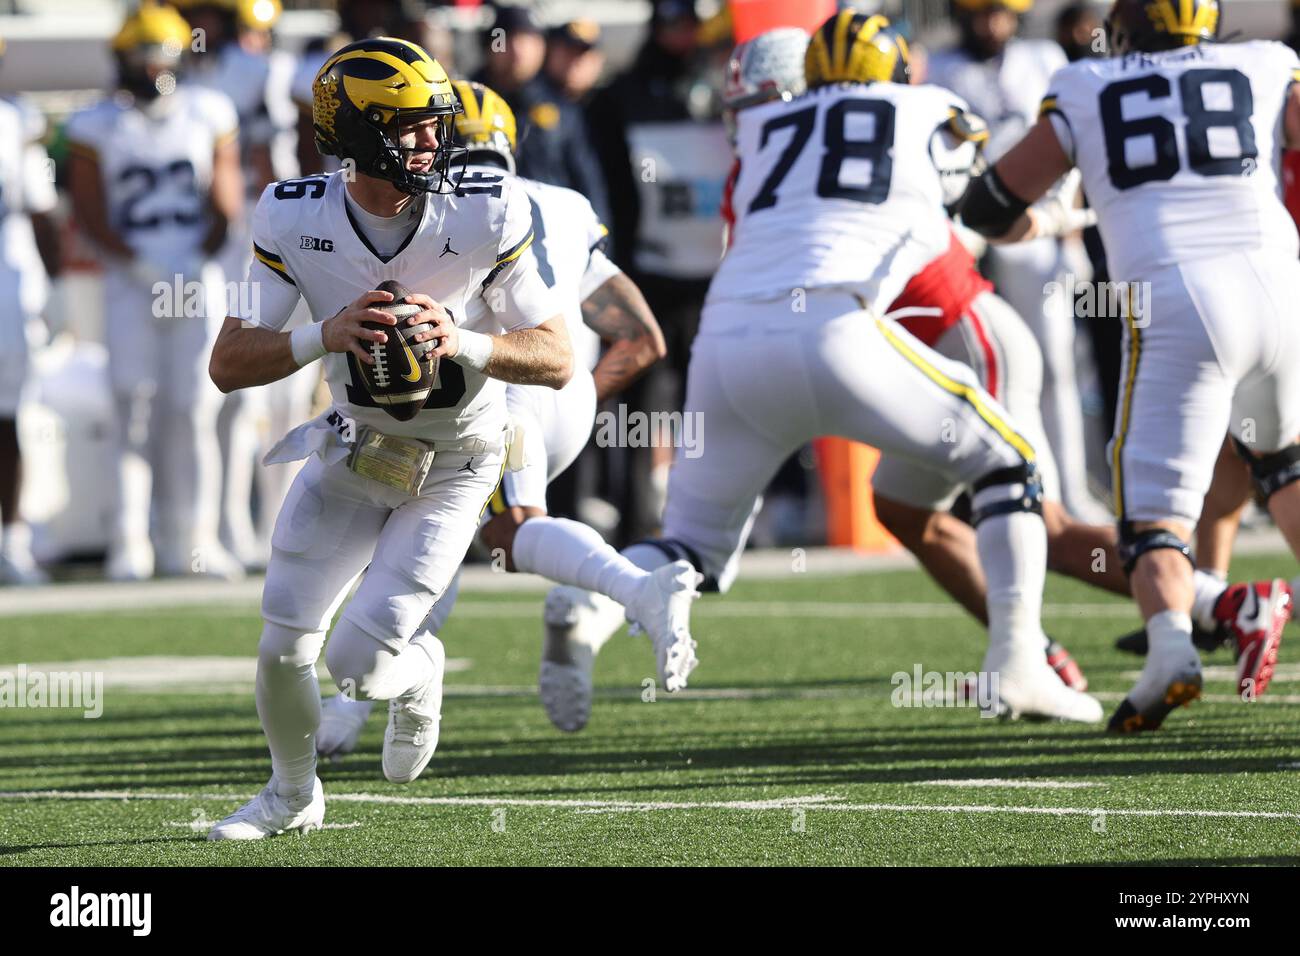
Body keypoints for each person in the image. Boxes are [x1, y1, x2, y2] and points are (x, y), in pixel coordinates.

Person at [538, 12, 1108, 733]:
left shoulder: (766, 143)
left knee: (694, 549)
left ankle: (585, 606)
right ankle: (1021, 663)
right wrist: (1053, 218)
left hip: (725, 344)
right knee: (1013, 461)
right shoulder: (924, 106)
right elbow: (989, 205)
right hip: (836, 331)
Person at [204, 37, 577, 839]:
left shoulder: (484, 209)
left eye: (433, 124)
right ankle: (292, 796)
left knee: (358, 668)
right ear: (361, 133)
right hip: (353, 449)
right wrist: (324, 335)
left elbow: (556, 358)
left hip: (458, 461)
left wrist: (462, 339)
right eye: (409, 127)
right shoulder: (292, 212)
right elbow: (228, 362)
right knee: (281, 646)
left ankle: (420, 672)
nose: (431, 142)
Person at [315, 80, 689, 752]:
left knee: (507, 529)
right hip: (556, 391)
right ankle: (354, 705)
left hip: (497, 388)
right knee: (430, 532)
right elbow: (645, 340)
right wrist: (572, 402)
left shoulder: (435, 209)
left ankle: (637, 590)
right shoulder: (563, 204)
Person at [960, 0, 1300, 731]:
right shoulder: (1268, 63)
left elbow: (989, 202)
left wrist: (1050, 219)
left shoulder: (1086, 86)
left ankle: (1171, 649)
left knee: (1151, 523)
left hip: (1179, 295)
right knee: (1285, 466)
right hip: (1279, 286)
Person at [66, 4, 243, 581]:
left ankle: (192, 539)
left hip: (193, 277)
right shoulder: (94, 123)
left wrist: (199, 257)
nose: (150, 66)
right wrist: (138, 264)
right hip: (130, 279)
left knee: (194, 407)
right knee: (132, 403)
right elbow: (90, 210)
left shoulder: (207, 111)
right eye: (139, 55)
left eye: (158, 54)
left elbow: (225, 200)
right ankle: (130, 539)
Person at [928, 0, 1109, 524]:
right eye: (980, 13)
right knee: (968, 362)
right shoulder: (939, 69)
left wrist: (1071, 236)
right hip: (962, 225)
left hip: (1032, 223)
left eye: (998, 13)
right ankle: (978, 495)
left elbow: (1070, 149)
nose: (990, 24)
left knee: (1055, 362)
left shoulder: (1043, 57)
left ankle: (1067, 491)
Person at [585, 0, 731, 541]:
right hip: (650, 272)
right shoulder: (623, 95)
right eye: (676, 22)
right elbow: (611, 188)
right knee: (642, 407)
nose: (685, 34)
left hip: (715, 276)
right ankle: (638, 515)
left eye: (693, 23)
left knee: (715, 400)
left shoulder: (721, 85)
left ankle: (713, 518)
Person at [0, 35, 60, 585]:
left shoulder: (16, 122)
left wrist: (57, 287)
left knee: (10, 411)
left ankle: (12, 537)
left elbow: (42, 212)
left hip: (7, 278)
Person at [472, 5, 609, 224]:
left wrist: (597, 242)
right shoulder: (464, 102)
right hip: (480, 237)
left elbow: (587, 180)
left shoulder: (562, 107)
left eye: (529, 40)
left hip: (550, 237)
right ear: (489, 45)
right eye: (507, 39)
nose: (518, 50)